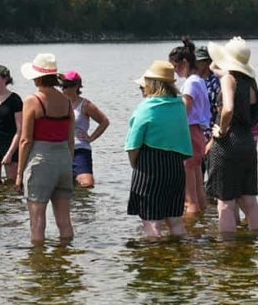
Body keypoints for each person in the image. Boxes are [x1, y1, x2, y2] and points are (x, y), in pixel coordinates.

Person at [125, 60, 193, 240]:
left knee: (151, 221)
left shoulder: (146, 107)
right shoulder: (179, 105)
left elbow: (133, 144)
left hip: (150, 167)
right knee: (175, 220)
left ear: (152, 83)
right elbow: (184, 138)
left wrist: (136, 166)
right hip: (175, 166)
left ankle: (155, 259)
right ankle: (178, 256)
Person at [207, 37, 258, 234]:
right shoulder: (250, 82)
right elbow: (215, 67)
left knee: (225, 203)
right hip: (247, 142)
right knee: (249, 200)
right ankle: (257, 243)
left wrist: (222, 130)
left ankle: (228, 252)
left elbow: (228, 109)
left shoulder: (227, 79)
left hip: (228, 143)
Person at [16, 53, 75, 244]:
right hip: (64, 159)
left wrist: (19, 174)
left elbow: (25, 140)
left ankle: (39, 264)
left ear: (38, 77)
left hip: (41, 159)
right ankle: (65, 260)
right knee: (65, 221)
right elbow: (71, 140)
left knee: (37, 221)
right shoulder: (66, 101)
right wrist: (69, 163)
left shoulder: (33, 101)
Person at [169, 37, 210, 215]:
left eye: (176, 67)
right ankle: (202, 224)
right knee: (199, 187)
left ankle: (190, 235)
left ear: (184, 63)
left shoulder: (191, 83)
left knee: (190, 196)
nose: (176, 72)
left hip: (189, 134)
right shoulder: (199, 80)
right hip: (198, 134)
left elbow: (184, 111)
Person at [60, 70, 110, 188]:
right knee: (61, 186)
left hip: (80, 149)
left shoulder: (85, 104)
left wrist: (91, 138)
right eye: (62, 85)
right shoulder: (58, 103)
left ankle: (83, 205)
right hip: (61, 149)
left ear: (77, 86)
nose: (64, 88)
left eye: (68, 85)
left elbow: (104, 122)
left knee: (87, 184)